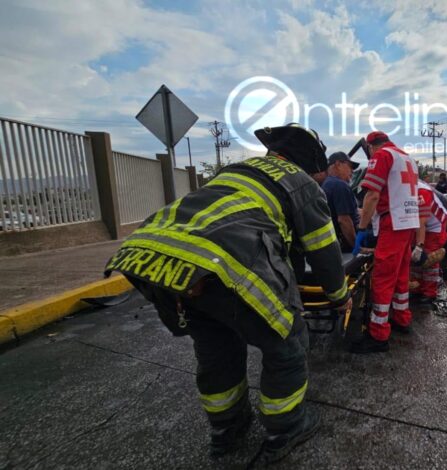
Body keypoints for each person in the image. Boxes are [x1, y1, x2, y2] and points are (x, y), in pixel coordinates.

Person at [104, 123, 351, 462]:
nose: (322, 178)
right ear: (311, 163)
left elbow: (282, 247)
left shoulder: (236, 171)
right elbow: (324, 251)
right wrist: (340, 297)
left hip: (163, 260)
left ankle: (226, 430)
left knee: (217, 348)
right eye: (321, 171)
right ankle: (287, 427)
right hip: (226, 263)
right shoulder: (302, 183)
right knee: (289, 343)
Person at [353, 130, 419, 353]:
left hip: (393, 222)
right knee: (401, 274)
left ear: (371, 147)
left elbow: (372, 195)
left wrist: (361, 228)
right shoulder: (407, 157)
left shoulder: (381, 156)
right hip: (409, 222)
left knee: (382, 276)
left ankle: (378, 334)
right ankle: (402, 318)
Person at [411, 179, 447, 301]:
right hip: (423, 224)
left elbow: (422, 221)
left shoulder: (421, 190)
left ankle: (429, 292)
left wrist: (419, 246)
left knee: (429, 258)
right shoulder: (409, 186)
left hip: (435, 225)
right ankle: (417, 288)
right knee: (416, 258)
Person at [322, 151, 360, 252]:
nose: (352, 171)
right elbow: (343, 221)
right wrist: (357, 248)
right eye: (350, 167)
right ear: (338, 164)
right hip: (345, 245)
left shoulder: (327, 183)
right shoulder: (340, 185)